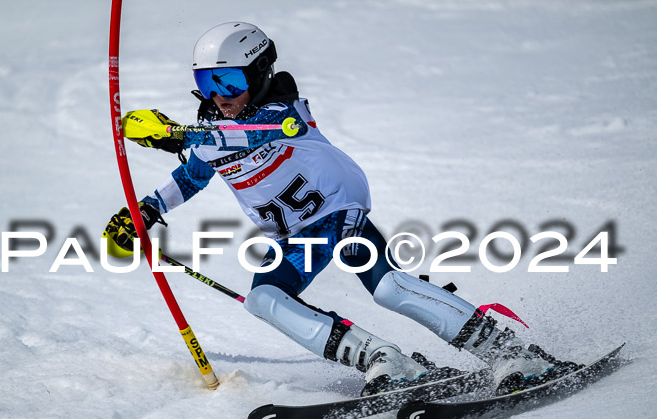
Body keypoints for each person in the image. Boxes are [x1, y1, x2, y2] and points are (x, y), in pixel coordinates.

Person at [105, 22, 579, 396]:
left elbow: (260, 133)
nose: (220, 94)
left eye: (229, 79)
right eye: (207, 82)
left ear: (258, 75)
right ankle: (383, 360)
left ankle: (511, 352)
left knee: (390, 288)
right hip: (295, 238)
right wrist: (144, 210)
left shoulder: (284, 111)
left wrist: (178, 133)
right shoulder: (212, 133)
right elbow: (191, 176)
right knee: (265, 299)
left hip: (338, 214)